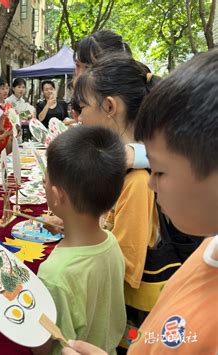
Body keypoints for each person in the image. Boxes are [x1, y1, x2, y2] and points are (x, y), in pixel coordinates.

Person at [62, 48, 218, 355]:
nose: (151, 181)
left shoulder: (135, 182)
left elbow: (127, 264)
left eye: (159, 170)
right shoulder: (206, 253)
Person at [34, 126, 127, 354]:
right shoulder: (111, 242)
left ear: (57, 195)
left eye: (46, 180)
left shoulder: (54, 275)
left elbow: (43, 348)